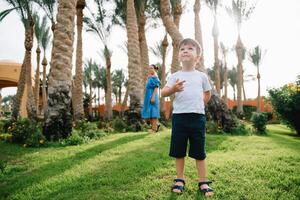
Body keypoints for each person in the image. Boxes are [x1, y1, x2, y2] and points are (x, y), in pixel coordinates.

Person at [161, 38, 214, 196]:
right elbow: (163, 92)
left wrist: (200, 105)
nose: (185, 50)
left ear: (197, 57)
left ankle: (203, 181)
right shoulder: (175, 76)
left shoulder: (202, 76)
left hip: (197, 117)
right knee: (179, 150)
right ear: (178, 56)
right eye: (182, 48)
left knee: (199, 150)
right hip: (179, 118)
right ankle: (179, 179)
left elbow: (207, 93)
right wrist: (173, 89)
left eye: (190, 48)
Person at [141, 64, 161, 133]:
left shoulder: (155, 77)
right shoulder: (150, 77)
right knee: (149, 112)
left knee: (153, 112)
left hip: (153, 95)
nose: (150, 70)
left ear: (155, 69)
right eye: (149, 68)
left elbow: (156, 87)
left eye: (151, 68)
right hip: (148, 96)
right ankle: (156, 125)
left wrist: (153, 97)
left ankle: (154, 129)